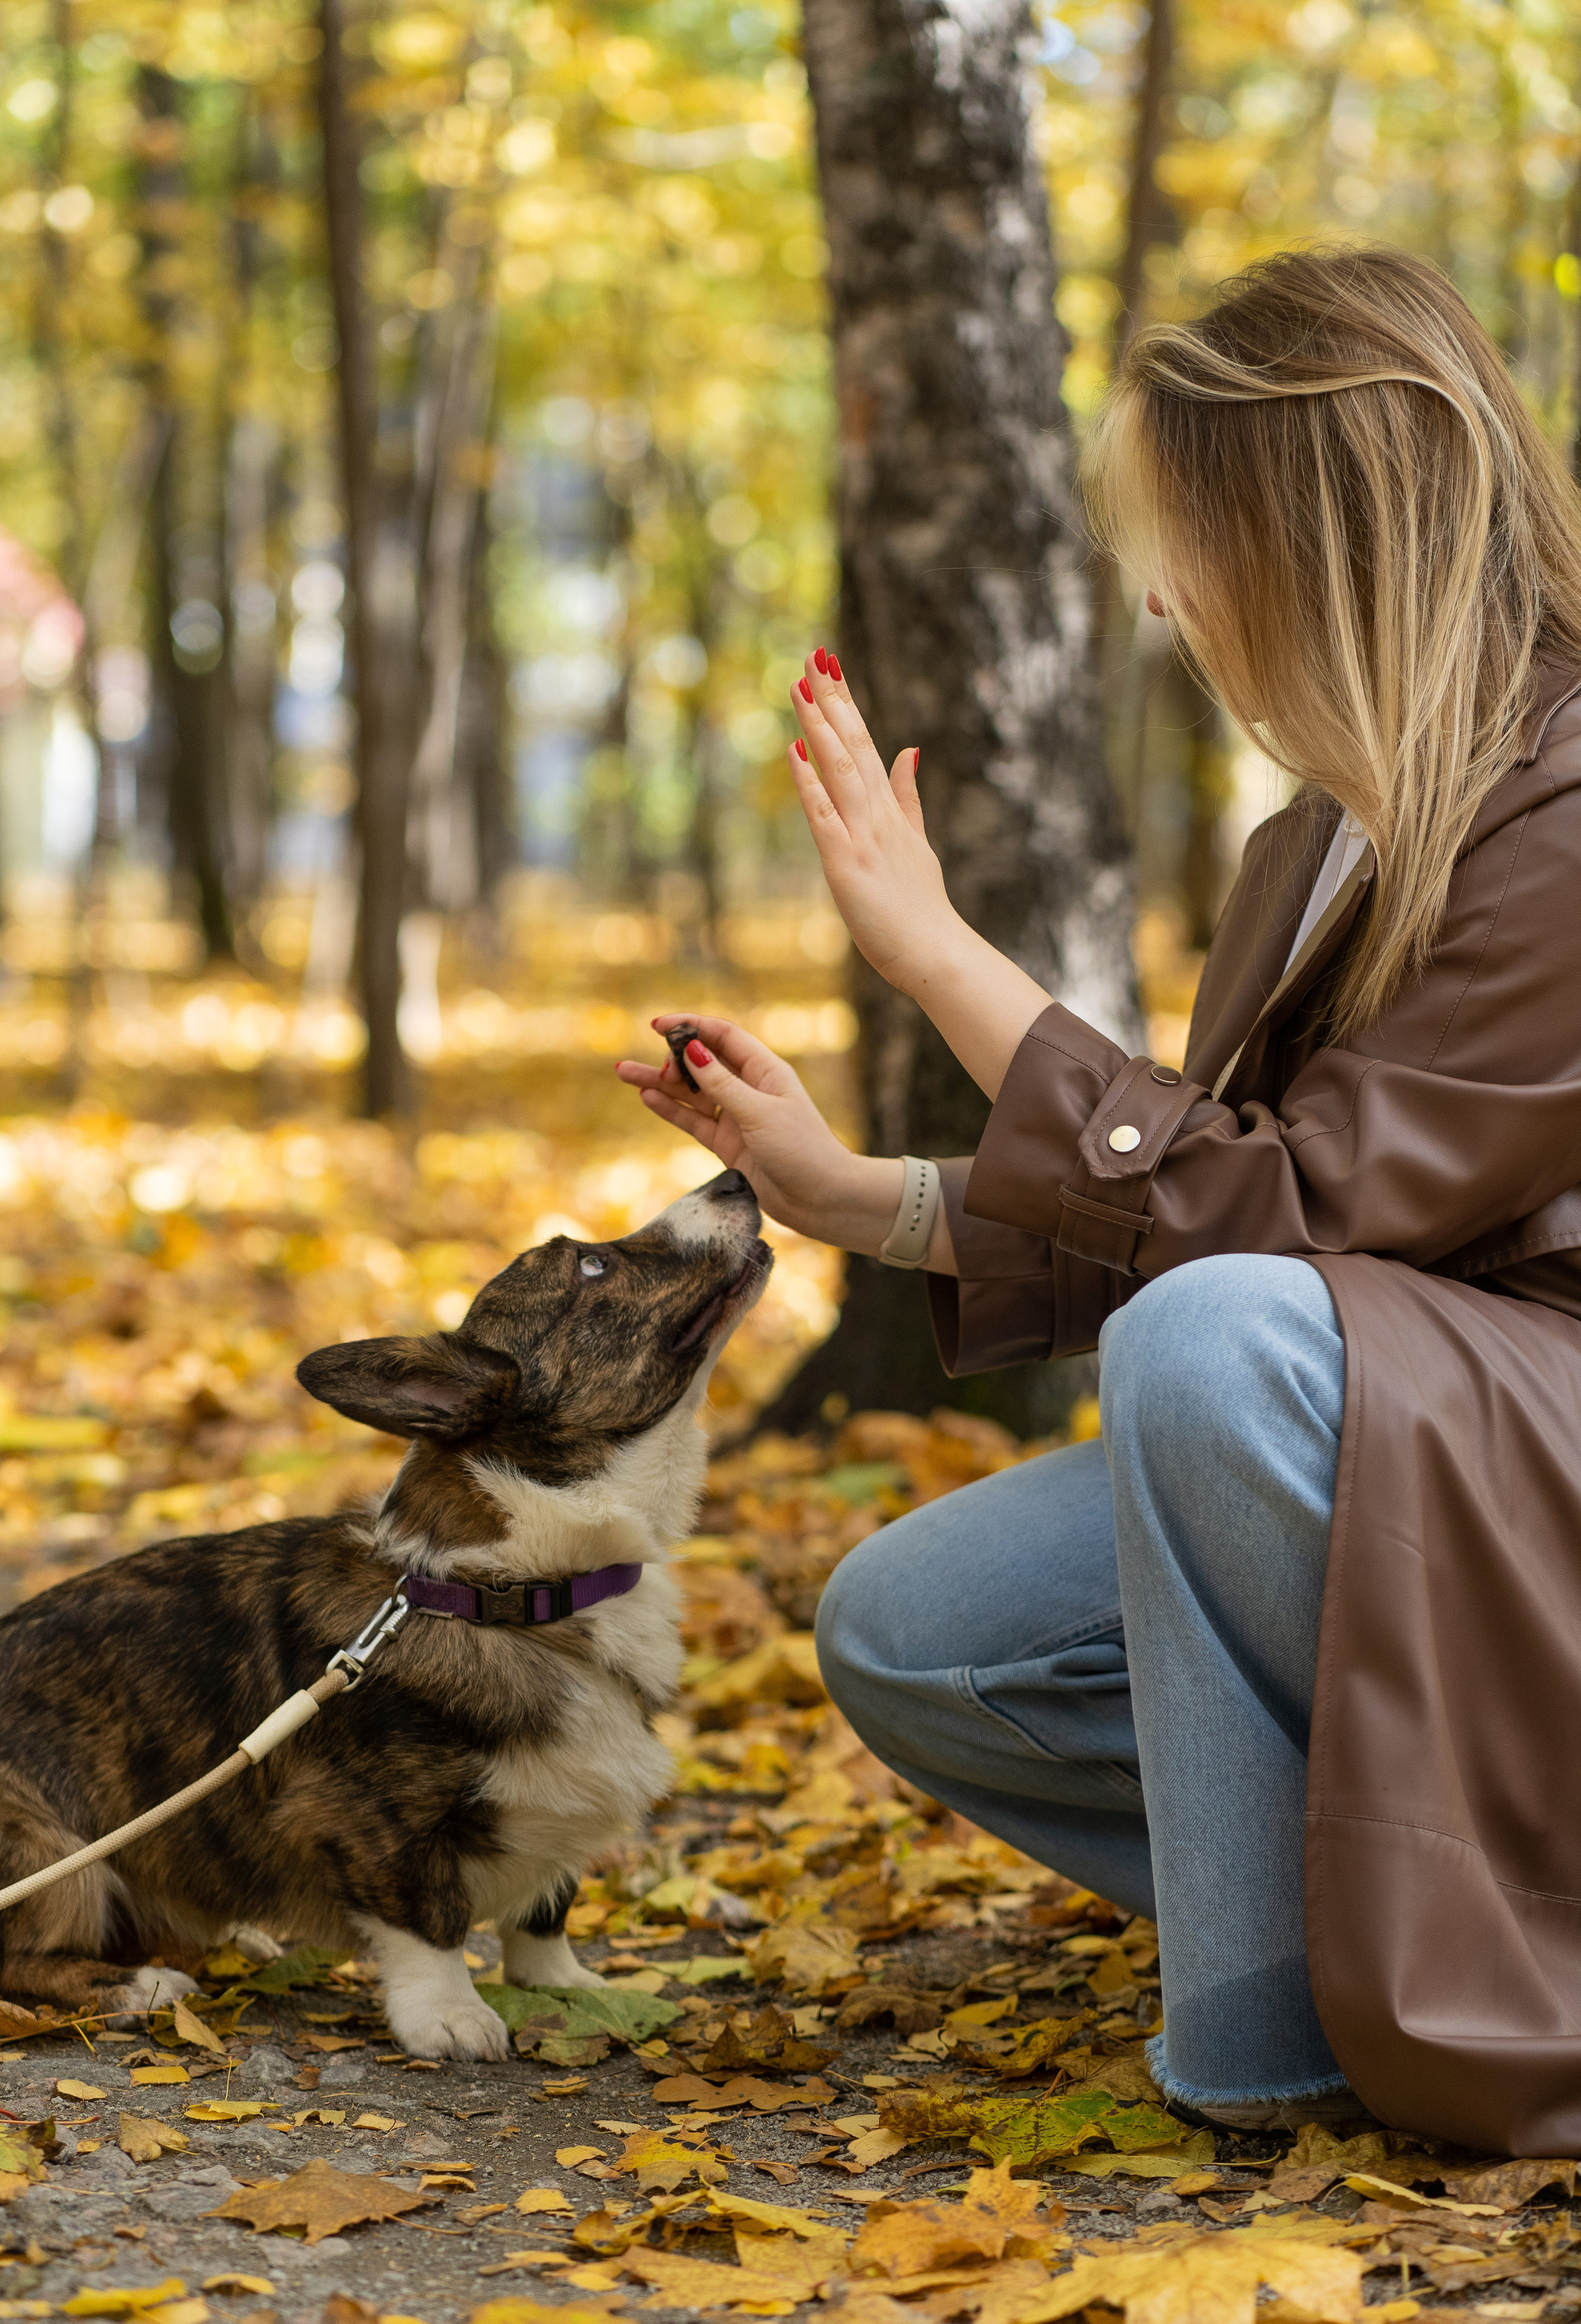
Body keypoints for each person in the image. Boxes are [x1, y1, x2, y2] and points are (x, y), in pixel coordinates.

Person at [617, 245, 1581, 2158]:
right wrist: (862, 1198)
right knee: (920, 1626)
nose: (1158, 597)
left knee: (1215, 1341)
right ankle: (1410, 1934)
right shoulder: (1319, 838)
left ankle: (1269, 2046)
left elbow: (1280, 1231)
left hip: (1531, 1449)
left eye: (1182, 539)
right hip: (1432, 1426)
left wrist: (941, 958)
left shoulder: (1565, 803)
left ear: (1310, 528)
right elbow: (1236, 1200)